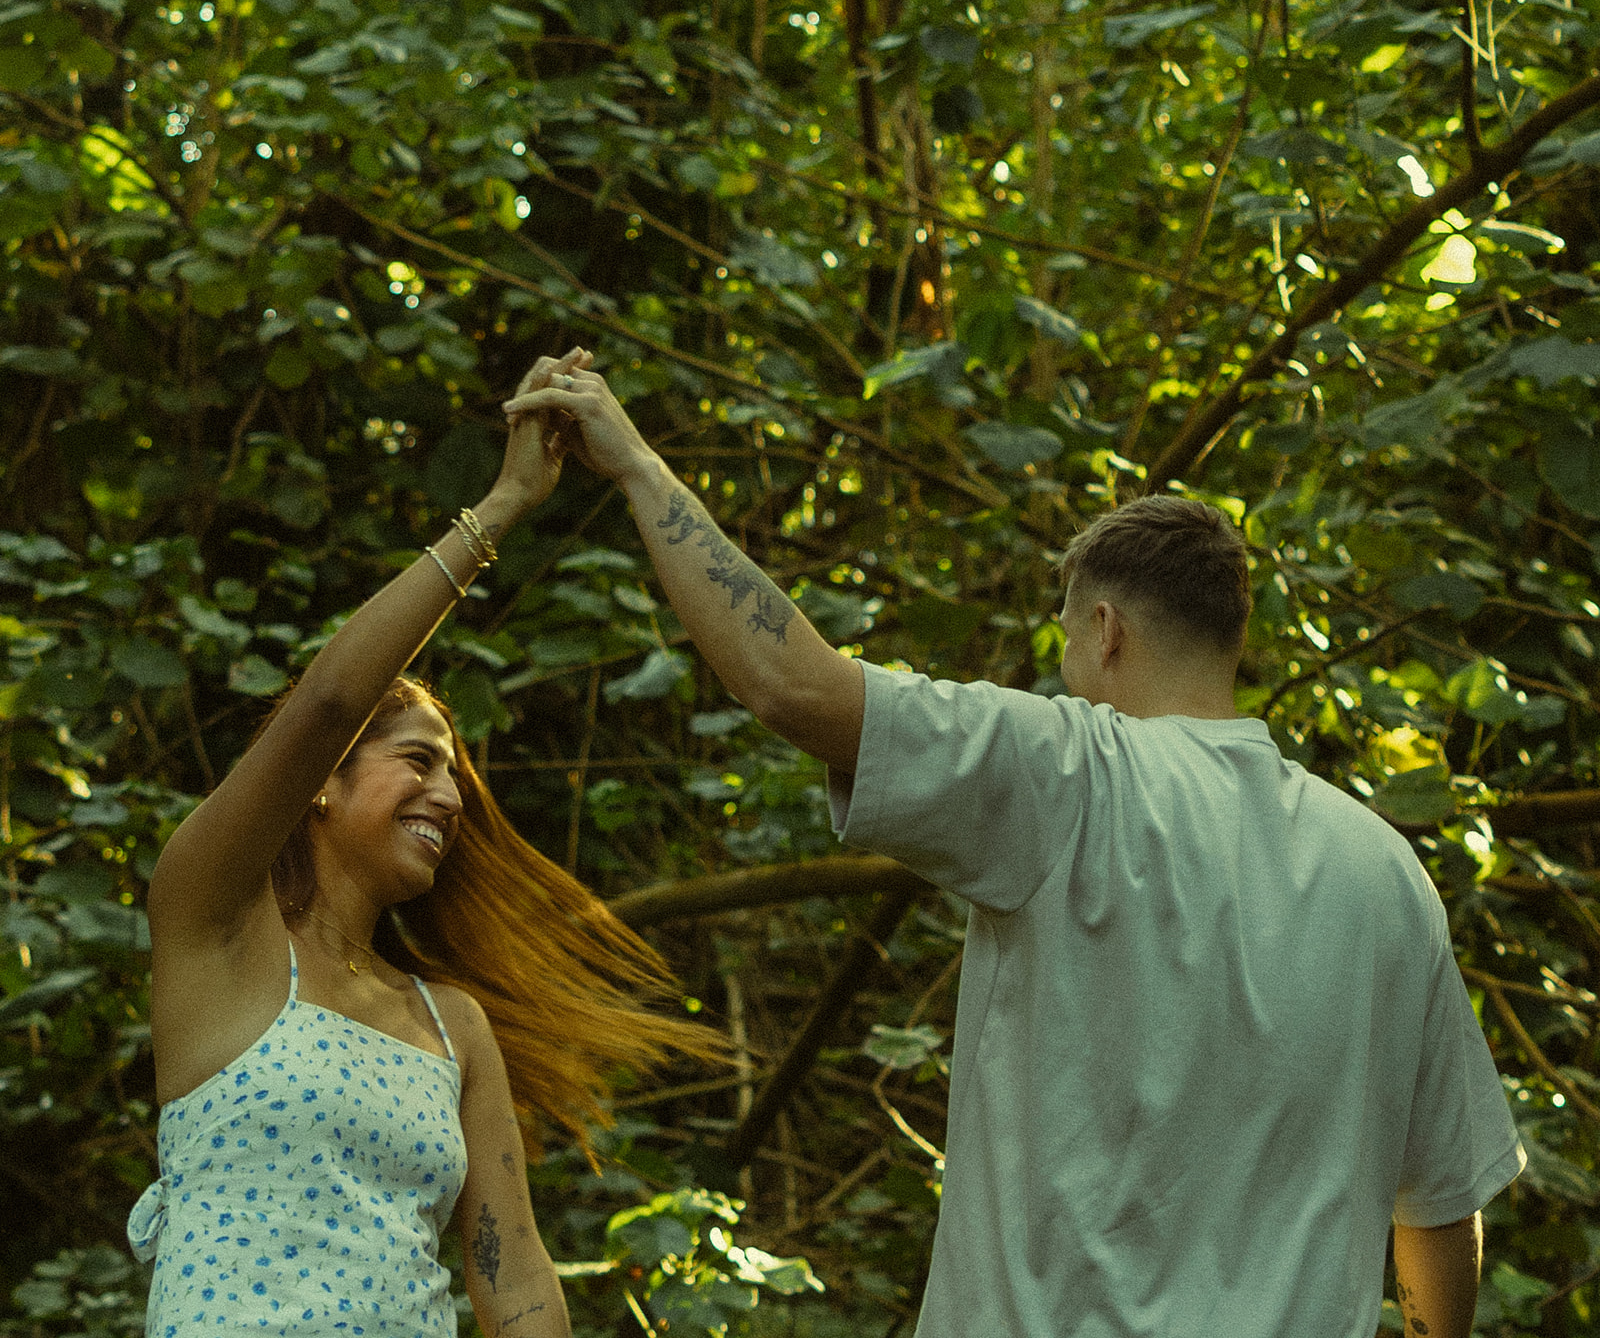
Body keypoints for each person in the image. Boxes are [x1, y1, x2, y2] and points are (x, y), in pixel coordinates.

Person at [506, 358, 1526, 1338]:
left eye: (1068, 643)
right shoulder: (1388, 875)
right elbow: (1437, 1206)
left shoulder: (1069, 773)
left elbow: (793, 686)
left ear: (1106, 629)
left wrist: (637, 466)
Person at [129, 350, 716, 1338]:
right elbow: (328, 698)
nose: (446, 795)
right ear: (322, 779)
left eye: (454, 775)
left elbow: (515, 1274)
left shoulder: (453, 1028)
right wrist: (501, 508)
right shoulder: (213, 931)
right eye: (418, 759)